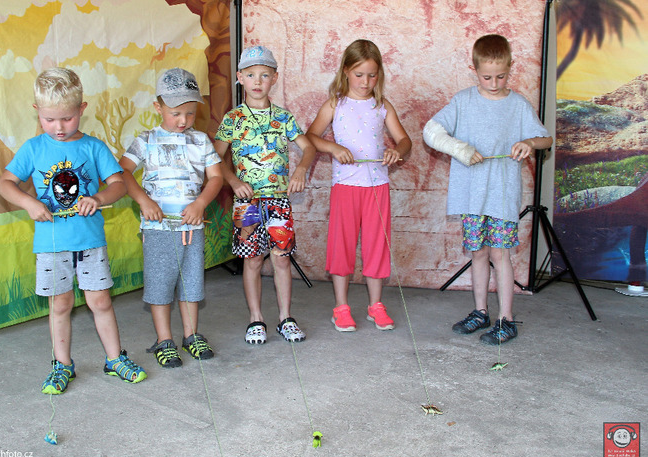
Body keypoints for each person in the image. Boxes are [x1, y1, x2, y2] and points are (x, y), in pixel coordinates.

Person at [0, 67, 147, 394]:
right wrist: (29, 203)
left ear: (82, 109)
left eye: (67, 118)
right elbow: (5, 184)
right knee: (60, 305)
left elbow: (119, 185)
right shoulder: (33, 148)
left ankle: (115, 359)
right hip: (51, 246)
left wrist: (98, 198)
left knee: (101, 302)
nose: (59, 127)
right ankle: (62, 364)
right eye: (49, 119)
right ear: (37, 112)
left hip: (90, 242)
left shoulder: (93, 147)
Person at [422, 34, 553, 344]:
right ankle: (480, 312)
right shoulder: (462, 101)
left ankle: (507, 319)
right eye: (487, 77)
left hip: (502, 197)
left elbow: (545, 139)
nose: (494, 83)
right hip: (472, 197)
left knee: (500, 255)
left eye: (501, 76)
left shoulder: (518, 105)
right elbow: (431, 131)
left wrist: (529, 142)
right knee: (478, 253)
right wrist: (460, 149)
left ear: (511, 67)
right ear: (474, 70)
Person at [119, 68, 223, 367]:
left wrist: (201, 203)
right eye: (175, 113)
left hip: (192, 228)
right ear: (158, 107)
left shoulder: (201, 140)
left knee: (191, 282)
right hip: (158, 229)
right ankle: (164, 339)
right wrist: (144, 200)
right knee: (160, 283)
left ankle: (191, 335)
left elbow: (216, 177)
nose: (183, 120)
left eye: (190, 113)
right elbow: (122, 171)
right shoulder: (146, 140)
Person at [306, 39, 411, 332]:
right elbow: (310, 136)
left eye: (372, 75)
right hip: (346, 187)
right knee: (342, 246)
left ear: (379, 75)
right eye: (359, 74)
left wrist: (397, 151)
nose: (365, 82)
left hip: (377, 186)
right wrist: (332, 147)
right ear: (346, 71)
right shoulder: (335, 104)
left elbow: (405, 140)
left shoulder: (382, 106)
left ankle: (375, 306)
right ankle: (341, 307)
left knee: (377, 246)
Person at [214, 45, 316, 344]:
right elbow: (215, 158)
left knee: (282, 259)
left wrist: (301, 170)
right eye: (250, 75)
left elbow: (308, 147)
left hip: (279, 201)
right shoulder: (233, 118)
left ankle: (285, 318)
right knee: (253, 260)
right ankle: (256, 318)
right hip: (247, 203)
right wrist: (233, 181)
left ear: (275, 78)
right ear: (239, 78)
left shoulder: (283, 117)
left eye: (264, 75)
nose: (257, 81)